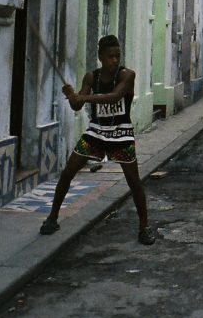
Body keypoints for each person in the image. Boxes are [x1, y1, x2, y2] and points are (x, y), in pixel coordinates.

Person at [41, 35, 155, 245]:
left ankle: (144, 227)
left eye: (117, 55)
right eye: (110, 56)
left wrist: (83, 98)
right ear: (101, 57)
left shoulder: (127, 75)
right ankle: (52, 218)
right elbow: (77, 106)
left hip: (121, 134)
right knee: (68, 172)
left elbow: (113, 96)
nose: (115, 60)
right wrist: (72, 96)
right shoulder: (91, 77)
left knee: (134, 182)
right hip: (96, 132)